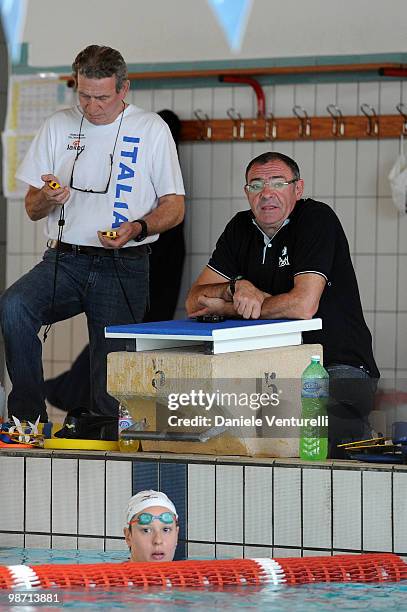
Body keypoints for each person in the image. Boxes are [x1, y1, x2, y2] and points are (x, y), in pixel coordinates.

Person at [0, 45, 185, 424]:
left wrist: (138, 227)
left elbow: (175, 206)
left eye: (101, 97)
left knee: (109, 373)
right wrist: (48, 197)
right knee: (14, 306)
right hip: (64, 259)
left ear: (123, 89)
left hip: (124, 262)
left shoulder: (151, 129)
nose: (92, 106)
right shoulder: (58, 125)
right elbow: (32, 209)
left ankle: (108, 442)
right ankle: (28, 420)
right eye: (84, 95)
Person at [185, 151, 379, 457]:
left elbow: (303, 306)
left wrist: (231, 307)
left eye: (278, 183)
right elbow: (195, 302)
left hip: (336, 364)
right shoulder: (239, 228)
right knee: (234, 438)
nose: (267, 194)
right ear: (246, 192)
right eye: (256, 185)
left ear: (297, 189)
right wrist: (237, 287)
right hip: (272, 370)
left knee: (329, 445)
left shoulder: (316, 219)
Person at [43, 109, 186, 415]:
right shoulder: (164, 168)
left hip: (138, 254)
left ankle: (76, 397)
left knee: (113, 342)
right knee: (117, 341)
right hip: (138, 260)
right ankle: (82, 401)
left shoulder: (156, 162)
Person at [123, 490, 179, 562]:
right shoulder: (109, 573)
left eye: (166, 529)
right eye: (146, 530)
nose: (158, 541)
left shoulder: (191, 572)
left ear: (176, 535)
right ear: (128, 537)